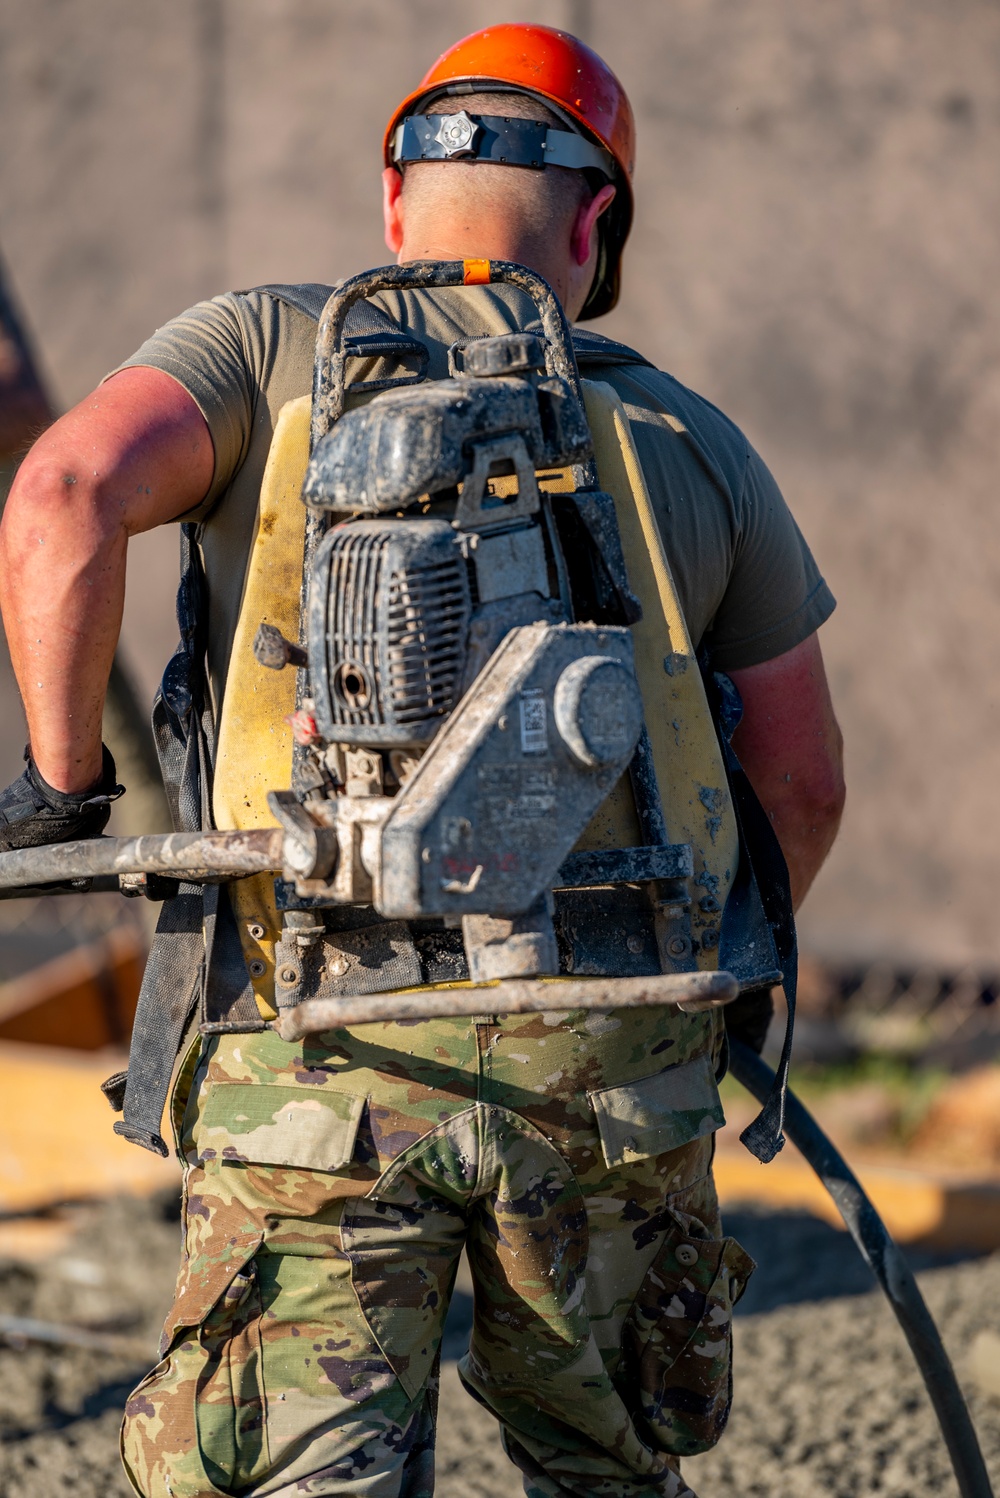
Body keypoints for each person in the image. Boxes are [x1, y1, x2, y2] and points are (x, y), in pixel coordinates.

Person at [0, 24, 845, 1498]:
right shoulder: (692, 438)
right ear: (597, 227)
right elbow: (804, 781)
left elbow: (61, 493)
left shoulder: (262, 353)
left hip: (316, 1047)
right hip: (610, 1056)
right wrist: (711, 994)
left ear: (397, 204)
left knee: (294, 1471)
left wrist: (63, 780)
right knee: (610, 1467)